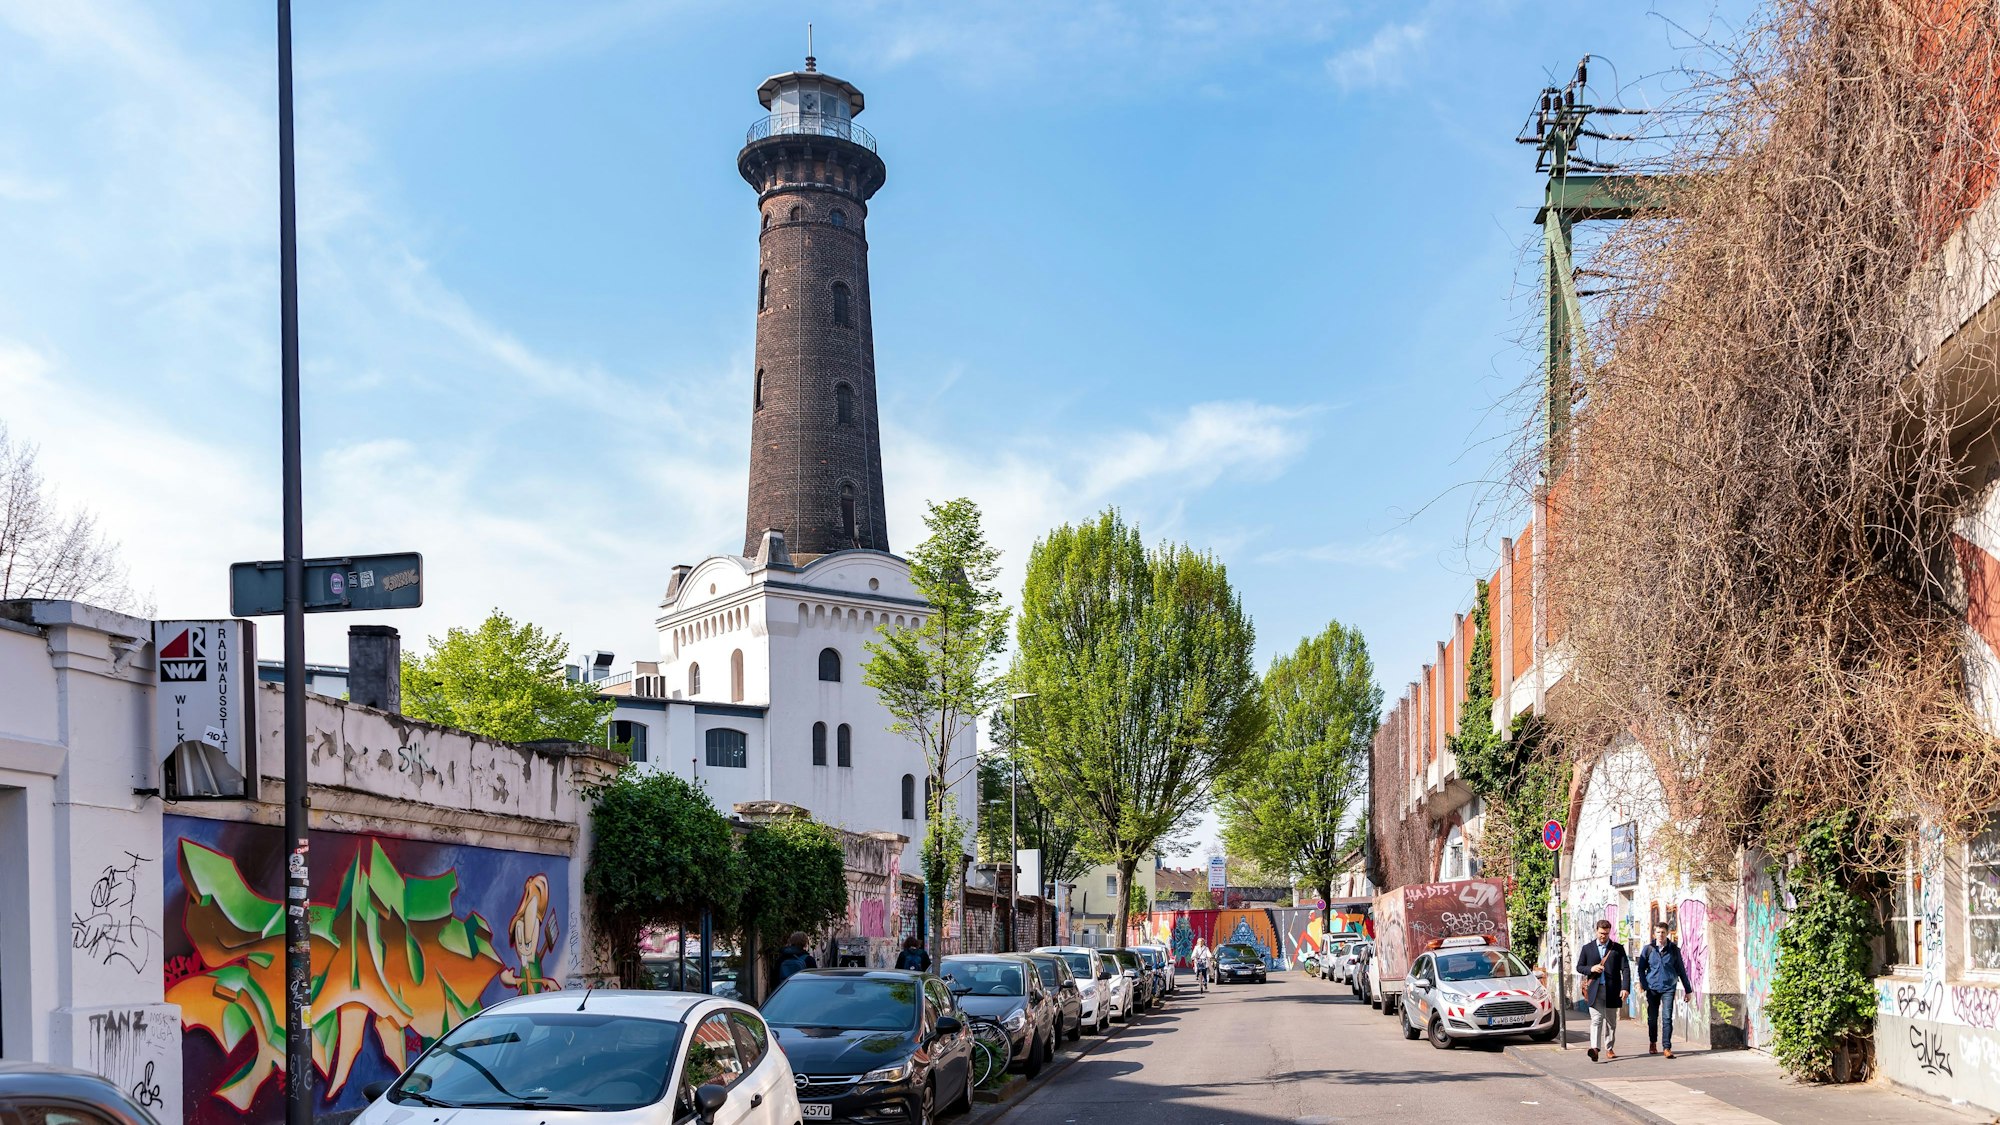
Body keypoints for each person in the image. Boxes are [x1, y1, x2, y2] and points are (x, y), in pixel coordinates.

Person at [1576, 918, 1632, 1063]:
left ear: (1609, 933)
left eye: (1606, 934)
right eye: (1601, 933)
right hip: (1594, 990)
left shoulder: (1617, 948)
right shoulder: (1587, 948)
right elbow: (1579, 967)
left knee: (1611, 1022)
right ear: (1596, 931)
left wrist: (1625, 987)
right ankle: (1595, 1049)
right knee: (1596, 1019)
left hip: (1613, 990)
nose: (1603, 936)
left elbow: (1625, 968)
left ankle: (1609, 1047)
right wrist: (1591, 968)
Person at [1637, 920, 1695, 1058]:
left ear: (1667, 933)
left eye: (1663, 932)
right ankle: (1652, 1042)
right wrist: (1644, 985)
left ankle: (1667, 1047)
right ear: (1654, 933)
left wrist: (1688, 990)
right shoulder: (1648, 949)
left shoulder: (1674, 949)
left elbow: (1681, 970)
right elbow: (1641, 969)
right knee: (1652, 1018)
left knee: (1667, 1018)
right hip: (1652, 988)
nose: (1661, 935)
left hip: (1668, 987)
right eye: (1658, 932)